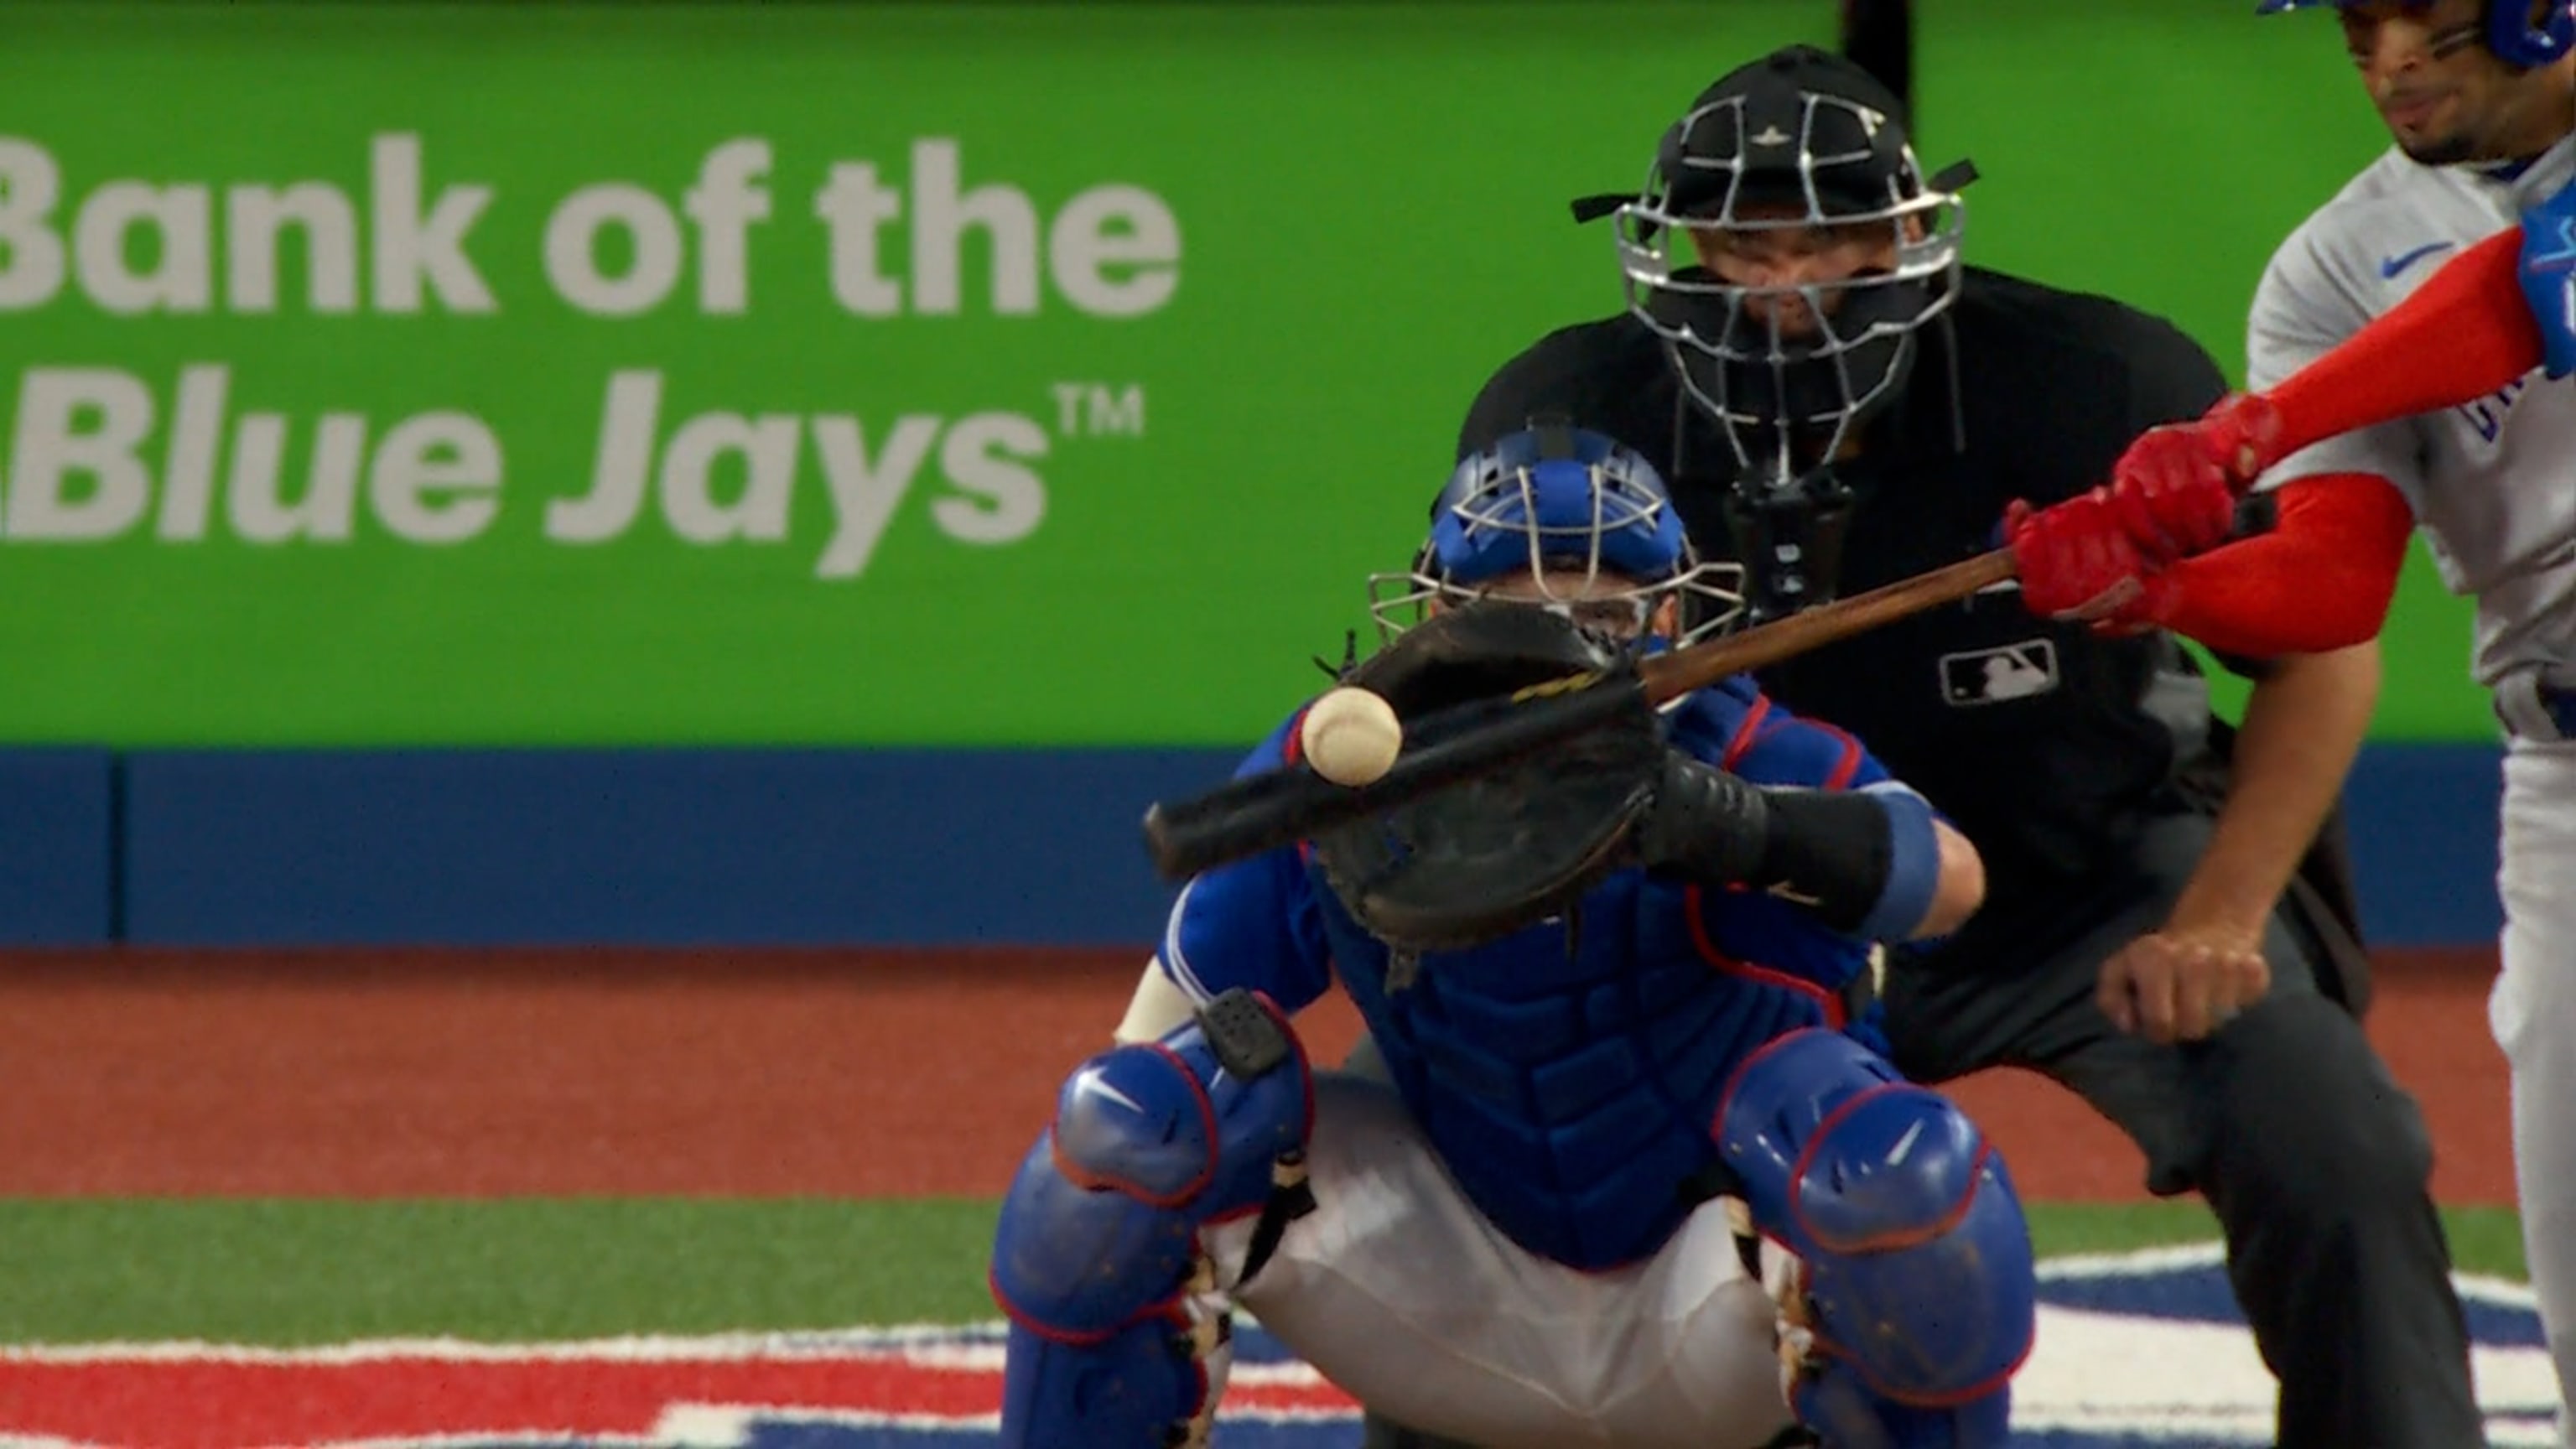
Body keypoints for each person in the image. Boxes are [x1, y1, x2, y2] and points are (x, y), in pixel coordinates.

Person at [1363, 41, 2482, 1449]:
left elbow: (2318, 646)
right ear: (1678, 248)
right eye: (1741, 242)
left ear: (1907, 230)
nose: (1780, 285)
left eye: (1824, 235)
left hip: (2073, 885)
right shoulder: (1567, 415)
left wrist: (2220, 914)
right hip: (1729, 898)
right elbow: (1486, 708)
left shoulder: (2093, 381)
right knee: (1457, 1130)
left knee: (2328, 1132)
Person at [986, 422, 2036, 1448]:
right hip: (1446, 1289)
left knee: (1900, 1174)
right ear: (1439, 618)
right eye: (1509, 608)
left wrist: (1729, 824)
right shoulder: (1349, 774)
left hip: (1710, 1305)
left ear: (1671, 616)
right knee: (1134, 1131)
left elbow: (1952, 882)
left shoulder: (1751, 750)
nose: (1554, 647)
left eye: (1604, 613)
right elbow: (1148, 1054)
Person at [2006, 0, 2576, 1436]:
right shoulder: (2335, 260)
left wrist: (2246, 427)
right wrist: (2155, 589)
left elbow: (2524, 292)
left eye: (2426, 18)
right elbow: (2332, 580)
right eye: (2358, 22)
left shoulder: (2450, 283)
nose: (2386, 57)